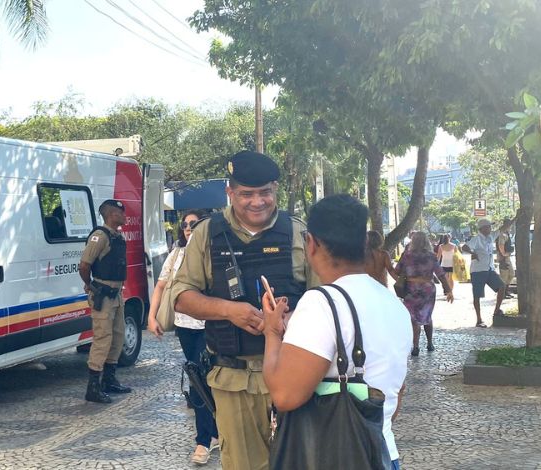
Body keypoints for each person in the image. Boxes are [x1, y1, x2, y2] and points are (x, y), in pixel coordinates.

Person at [171, 150, 312, 470]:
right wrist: (228, 310)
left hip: (294, 374)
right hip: (233, 378)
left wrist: (290, 318)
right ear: (230, 192)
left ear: (276, 188)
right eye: (246, 194)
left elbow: (322, 296)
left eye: (265, 192)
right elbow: (180, 296)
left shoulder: (296, 232)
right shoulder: (207, 233)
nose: (258, 202)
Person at [261, 194, 412, 470]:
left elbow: (284, 395)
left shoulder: (321, 303)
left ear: (312, 243)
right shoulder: (395, 306)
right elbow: (396, 392)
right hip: (383, 454)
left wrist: (272, 332)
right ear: (364, 243)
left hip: (333, 456)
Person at [147, 210, 219, 465]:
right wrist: (152, 316)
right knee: (197, 377)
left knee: (202, 378)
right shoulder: (176, 254)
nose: (189, 228)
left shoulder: (214, 251)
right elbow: (161, 285)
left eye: (194, 224)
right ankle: (212, 433)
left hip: (210, 325)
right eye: (186, 225)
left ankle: (204, 440)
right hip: (185, 325)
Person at [78, 199, 132, 404]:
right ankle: (93, 387)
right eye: (121, 212)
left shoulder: (117, 236)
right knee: (103, 338)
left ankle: (109, 380)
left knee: (117, 337)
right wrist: (90, 285)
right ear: (111, 214)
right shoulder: (100, 236)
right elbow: (84, 266)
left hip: (116, 294)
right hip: (103, 294)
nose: (125, 215)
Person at [395, 232, 454, 355]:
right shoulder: (431, 256)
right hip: (427, 289)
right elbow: (441, 275)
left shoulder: (406, 256)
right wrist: (448, 290)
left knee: (413, 318)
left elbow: (397, 271)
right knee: (427, 316)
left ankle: (415, 346)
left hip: (410, 289)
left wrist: (407, 276)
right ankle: (430, 343)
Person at [461, 218, 505, 327]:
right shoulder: (476, 239)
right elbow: (464, 247)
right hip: (478, 271)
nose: (490, 228)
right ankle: (479, 319)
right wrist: (472, 252)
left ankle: (496, 310)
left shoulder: (490, 237)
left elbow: (502, 229)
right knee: (477, 295)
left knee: (501, 286)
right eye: (488, 227)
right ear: (482, 229)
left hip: (489, 269)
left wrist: (515, 218)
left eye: (490, 227)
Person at [496, 217, 516, 299]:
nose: (510, 226)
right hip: (503, 258)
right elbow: (501, 246)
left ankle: (506, 291)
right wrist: (504, 255)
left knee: (511, 274)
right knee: (504, 277)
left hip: (507, 257)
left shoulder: (506, 233)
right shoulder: (502, 234)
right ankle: (502, 294)